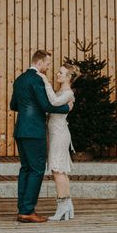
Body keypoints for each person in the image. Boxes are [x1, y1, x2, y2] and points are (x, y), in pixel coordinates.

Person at [10, 50, 72, 223]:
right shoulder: (37, 79)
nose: (48, 67)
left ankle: (23, 208)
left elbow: (13, 104)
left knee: (25, 169)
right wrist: (67, 108)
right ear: (39, 63)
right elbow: (46, 105)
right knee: (37, 170)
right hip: (34, 131)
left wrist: (28, 105)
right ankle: (28, 211)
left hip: (20, 130)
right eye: (47, 64)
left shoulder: (20, 79)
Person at [38, 64, 79, 221]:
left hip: (60, 134)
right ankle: (67, 205)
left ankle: (63, 206)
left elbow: (54, 102)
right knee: (59, 170)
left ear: (69, 77)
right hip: (55, 133)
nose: (57, 73)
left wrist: (45, 81)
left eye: (61, 72)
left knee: (57, 169)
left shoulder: (68, 93)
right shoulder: (61, 91)